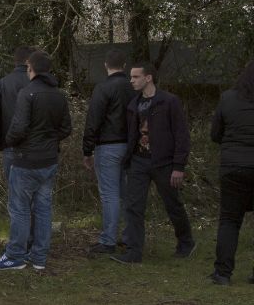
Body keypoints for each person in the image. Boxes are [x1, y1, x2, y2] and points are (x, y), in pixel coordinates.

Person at [0, 50, 73, 271]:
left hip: (26, 160)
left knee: (19, 209)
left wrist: (9, 142)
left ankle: (16, 255)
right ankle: (39, 257)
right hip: (48, 160)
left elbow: (18, 128)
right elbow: (66, 128)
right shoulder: (58, 95)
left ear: (30, 68)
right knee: (43, 209)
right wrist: (48, 140)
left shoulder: (27, 93)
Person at [111, 62, 194, 265]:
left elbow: (181, 135)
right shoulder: (133, 104)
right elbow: (131, 133)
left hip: (163, 163)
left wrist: (178, 166)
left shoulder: (169, 102)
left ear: (148, 78)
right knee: (134, 206)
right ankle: (134, 252)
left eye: (135, 77)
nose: (131, 80)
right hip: (139, 161)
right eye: (131, 77)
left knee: (173, 204)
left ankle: (186, 242)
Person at [82, 48, 134, 254]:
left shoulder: (104, 88)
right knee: (126, 193)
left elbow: (93, 120)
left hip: (108, 146)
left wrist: (87, 150)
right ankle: (130, 236)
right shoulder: (133, 88)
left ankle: (108, 240)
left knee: (110, 195)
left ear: (105, 65)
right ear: (125, 65)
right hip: (130, 146)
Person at [209, 60, 254, 285]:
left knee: (229, 220)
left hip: (233, 168)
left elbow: (215, 134)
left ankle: (223, 273)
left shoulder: (228, 98)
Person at [0, 46, 35, 181]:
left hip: (11, 146)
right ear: (29, 62)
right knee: (38, 196)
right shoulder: (41, 85)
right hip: (38, 147)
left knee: (15, 195)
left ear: (15, 61)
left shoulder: (1, 85)